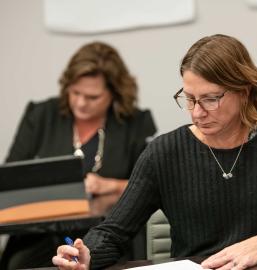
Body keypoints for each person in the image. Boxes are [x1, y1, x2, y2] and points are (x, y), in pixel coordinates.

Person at [52, 34, 257, 270]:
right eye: (189, 99)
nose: (197, 113)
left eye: (210, 99)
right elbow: (113, 232)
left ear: (246, 91)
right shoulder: (163, 153)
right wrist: (86, 253)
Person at [0, 41, 157, 269]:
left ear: (115, 93)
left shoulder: (135, 124)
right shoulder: (42, 115)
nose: (81, 103)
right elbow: (10, 180)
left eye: (92, 97)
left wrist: (111, 185)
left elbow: (151, 187)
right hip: (41, 235)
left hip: (109, 234)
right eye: (75, 93)